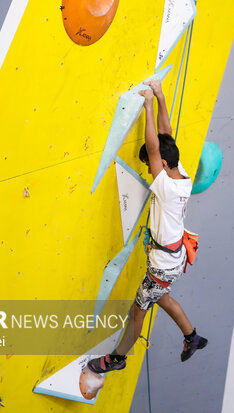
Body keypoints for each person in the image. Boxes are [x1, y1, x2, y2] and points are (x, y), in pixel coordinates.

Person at [87, 79, 207, 374]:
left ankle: (117, 359)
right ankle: (192, 337)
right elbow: (166, 139)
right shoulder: (182, 176)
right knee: (160, 298)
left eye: (152, 165)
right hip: (174, 257)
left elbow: (155, 145)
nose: (150, 169)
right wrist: (162, 97)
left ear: (163, 165)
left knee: (136, 312)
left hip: (164, 265)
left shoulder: (165, 185)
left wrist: (149, 105)